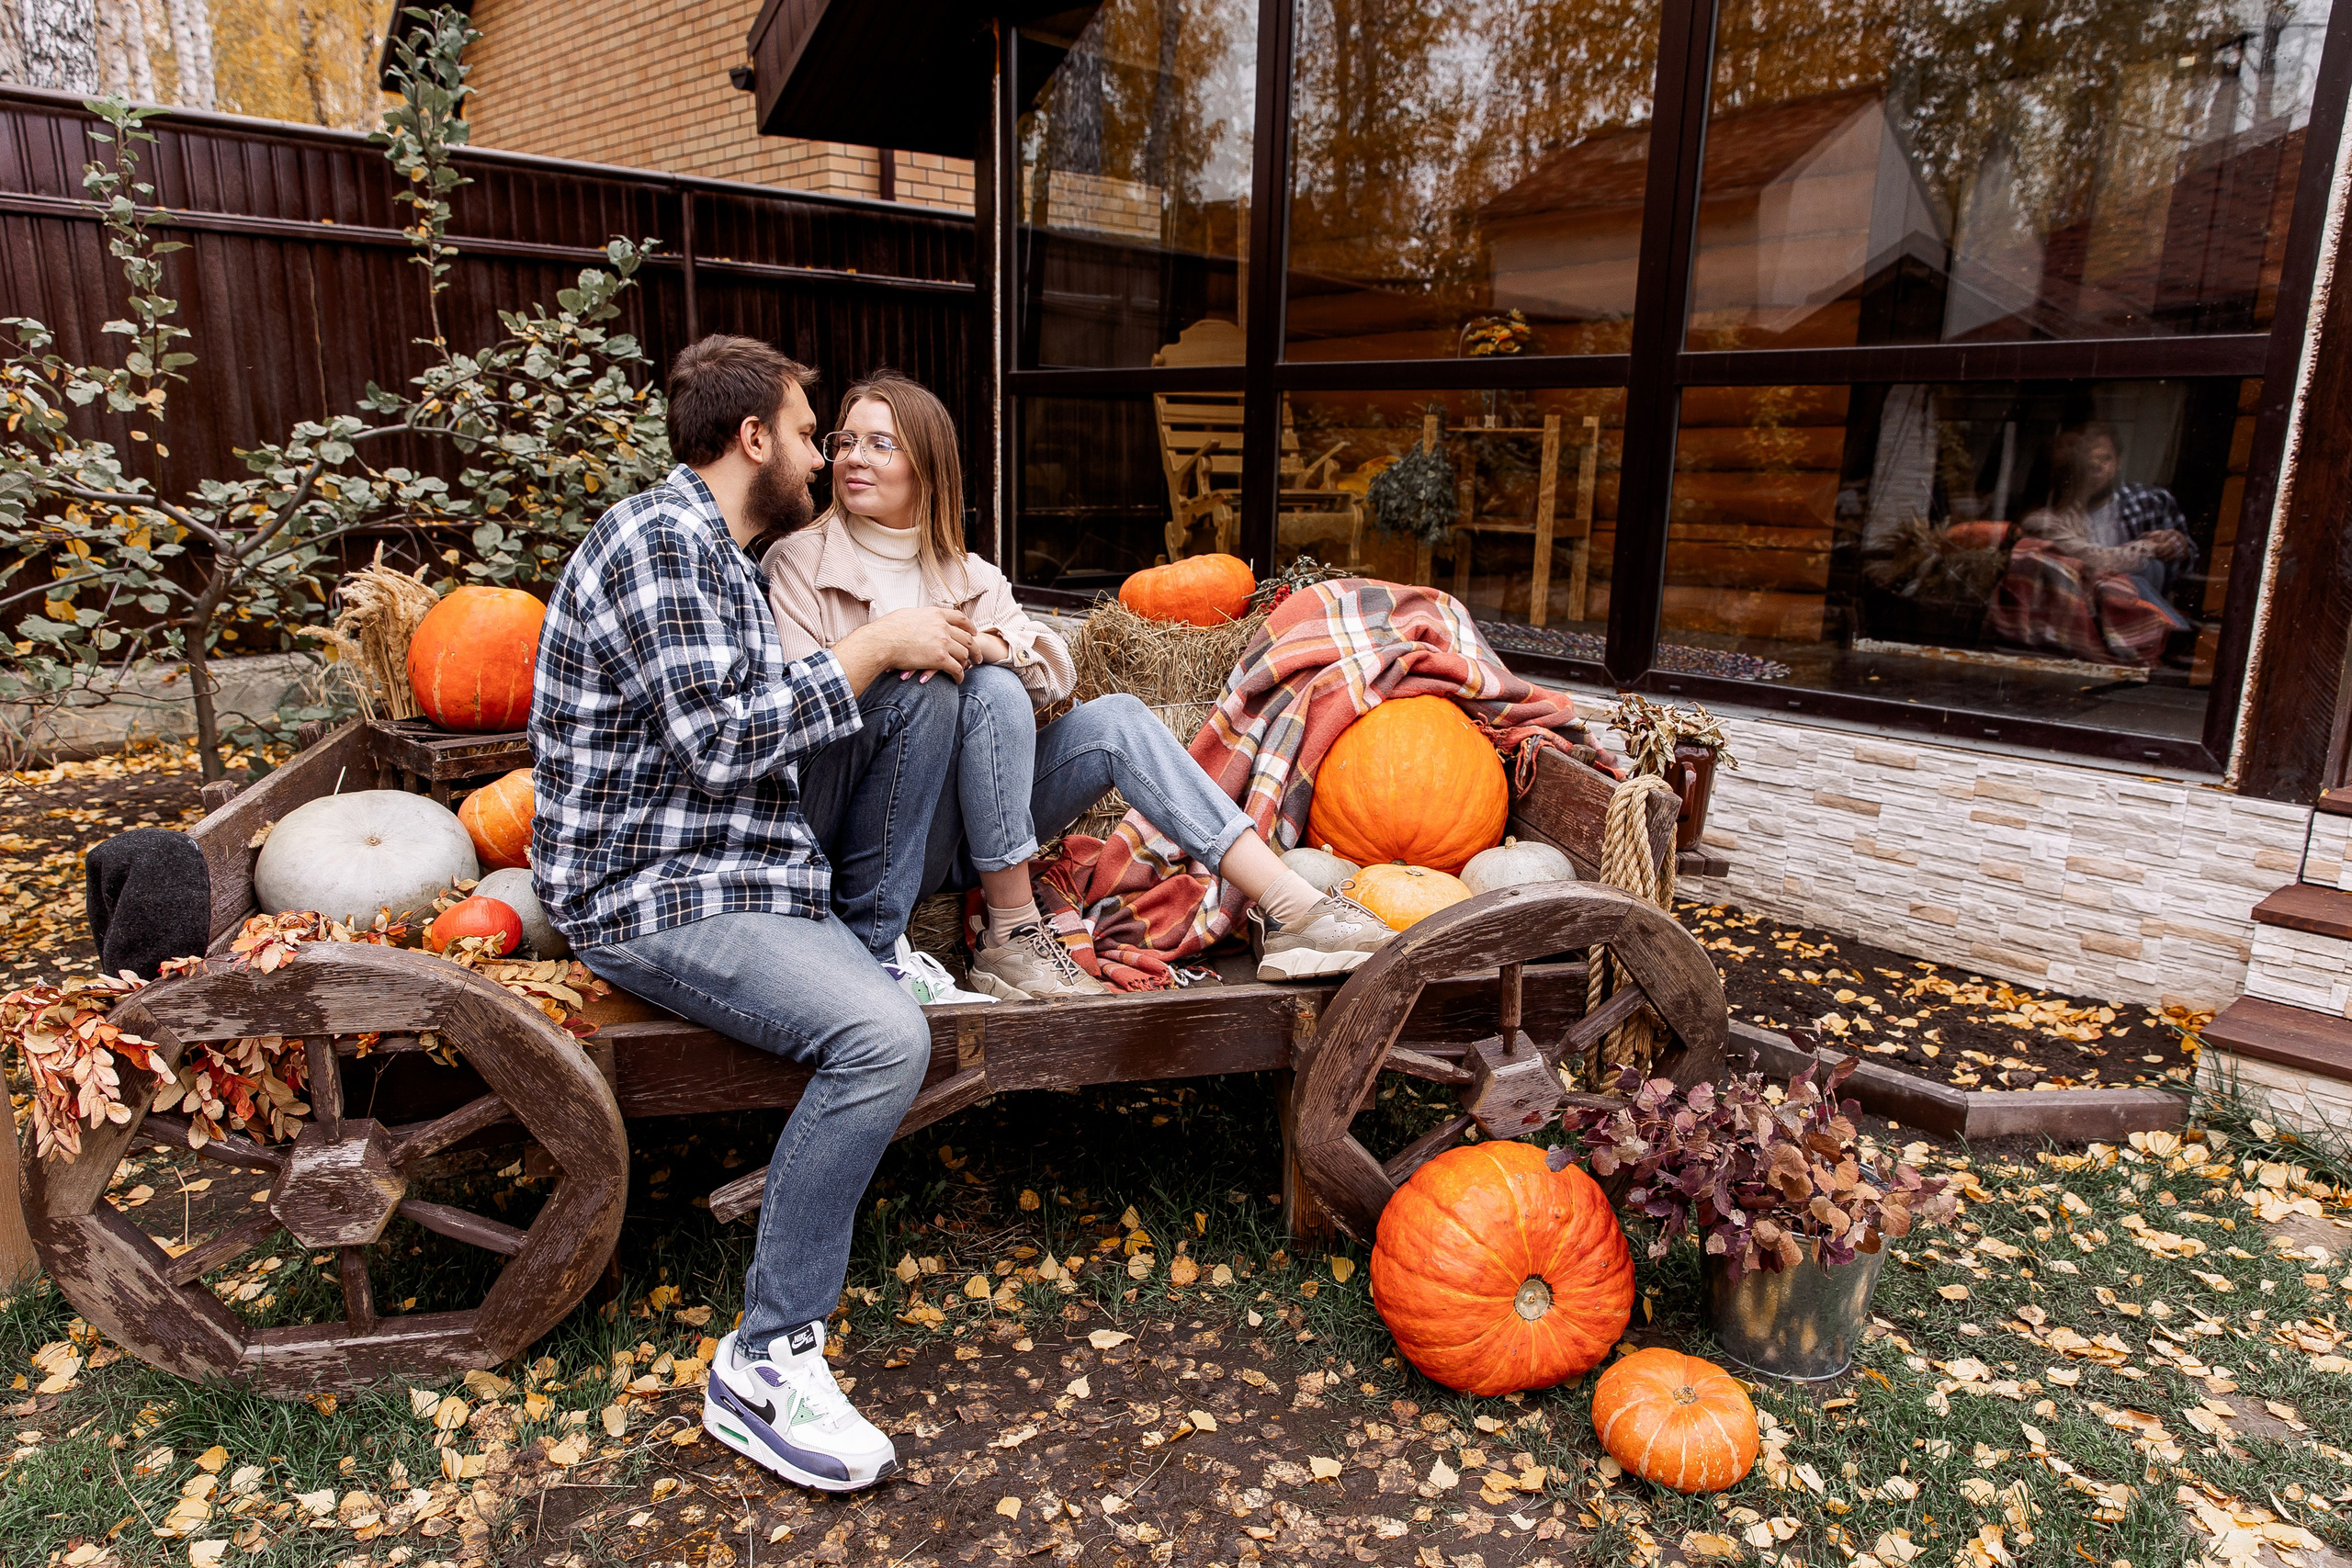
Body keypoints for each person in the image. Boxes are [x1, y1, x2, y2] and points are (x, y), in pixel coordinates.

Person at [530, 335, 983, 1494]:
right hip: (648, 891)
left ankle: (869, 954)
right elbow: (723, 743)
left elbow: (755, 751)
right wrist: (873, 643)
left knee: (881, 987)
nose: (820, 453)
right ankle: (766, 1358)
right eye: (804, 429)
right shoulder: (660, 543)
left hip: (734, 867)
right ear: (751, 441)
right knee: (883, 1040)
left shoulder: (726, 553)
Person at [762, 369, 1390, 998]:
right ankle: (1014, 929)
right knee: (970, 687)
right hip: (860, 831)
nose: (851, 458)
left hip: (951, 834)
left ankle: (1293, 905)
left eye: (879, 444)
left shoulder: (969, 576)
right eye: (844, 441)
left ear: (927, 466)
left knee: (1098, 713)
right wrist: (895, 647)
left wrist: (983, 644)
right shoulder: (799, 563)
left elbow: (1058, 669)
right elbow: (801, 717)